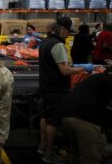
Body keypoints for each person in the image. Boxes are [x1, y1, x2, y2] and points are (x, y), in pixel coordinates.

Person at [38, 17, 94, 164]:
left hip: (45, 86)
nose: (69, 35)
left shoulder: (45, 42)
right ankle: (48, 153)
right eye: (68, 32)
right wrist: (84, 68)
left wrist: (75, 64)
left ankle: (42, 146)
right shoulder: (58, 45)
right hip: (56, 89)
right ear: (62, 29)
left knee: (44, 116)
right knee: (53, 121)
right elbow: (64, 70)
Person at [61, 66, 112, 164]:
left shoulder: (95, 79)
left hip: (66, 116)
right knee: (91, 157)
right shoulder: (108, 80)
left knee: (76, 154)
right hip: (85, 119)